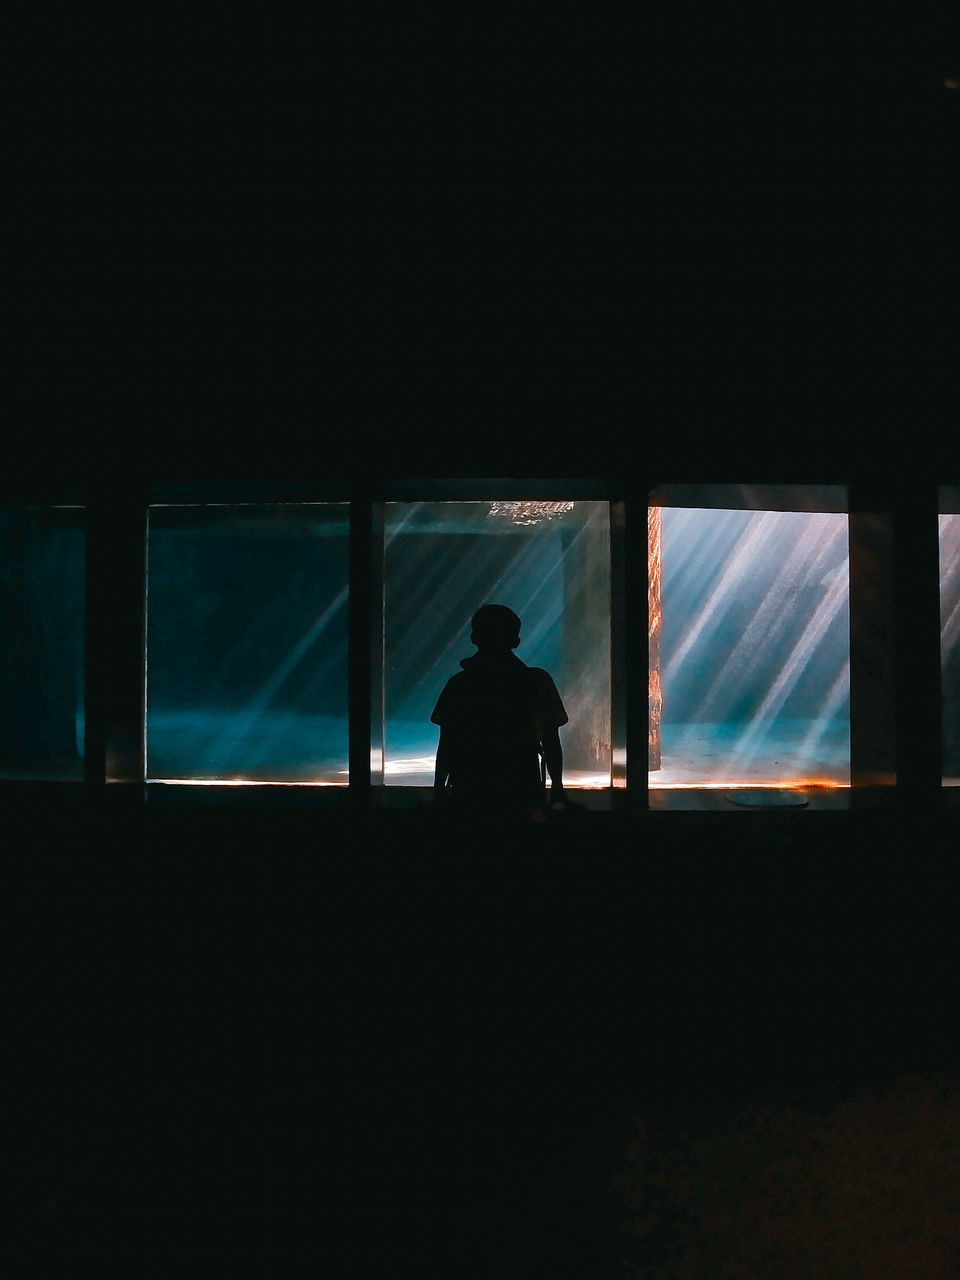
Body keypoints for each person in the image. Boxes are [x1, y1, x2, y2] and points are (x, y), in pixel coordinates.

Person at [431, 604, 568, 817]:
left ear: (474, 638)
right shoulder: (538, 682)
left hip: (469, 794)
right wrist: (557, 787)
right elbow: (551, 741)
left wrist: (438, 791)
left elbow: (447, 744)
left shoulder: (458, 685)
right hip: (522, 792)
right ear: (516, 642)